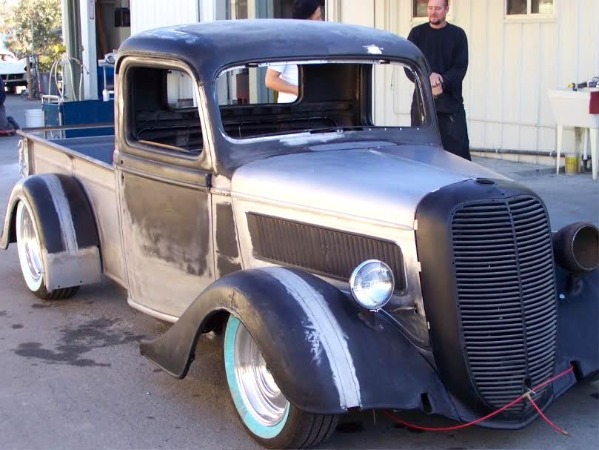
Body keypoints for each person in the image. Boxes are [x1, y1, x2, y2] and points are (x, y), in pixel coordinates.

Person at [407, 0, 471, 160]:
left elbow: (460, 67)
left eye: (437, 8)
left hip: (451, 105)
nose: (433, 12)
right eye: (430, 8)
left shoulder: (458, 35)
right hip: (423, 106)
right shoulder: (416, 34)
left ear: (447, 9)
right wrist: (427, 78)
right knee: (421, 154)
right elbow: (409, 66)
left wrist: (442, 80)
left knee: (458, 156)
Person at [264, 0, 323, 103]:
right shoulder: (285, 43)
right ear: (306, 20)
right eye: (318, 18)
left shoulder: (320, 43)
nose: (322, 22)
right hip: (292, 111)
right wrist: (300, 91)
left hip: (317, 109)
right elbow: (270, 80)